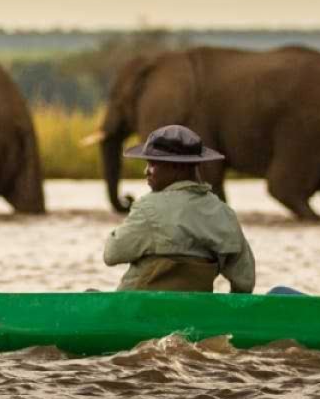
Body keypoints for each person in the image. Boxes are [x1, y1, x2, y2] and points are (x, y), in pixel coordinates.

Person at [102, 125, 256, 293]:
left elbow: (111, 254)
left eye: (153, 164)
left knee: (90, 293)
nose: (147, 171)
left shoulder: (148, 208)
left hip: (138, 310)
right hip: (192, 312)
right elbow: (245, 281)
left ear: (178, 167)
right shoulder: (224, 214)